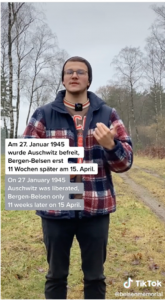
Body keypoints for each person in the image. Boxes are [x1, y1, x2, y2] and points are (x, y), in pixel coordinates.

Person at [23, 56, 133, 300]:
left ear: (89, 79)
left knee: (95, 277)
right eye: (69, 71)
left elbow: (125, 163)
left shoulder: (108, 114)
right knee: (55, 276)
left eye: (80, 72)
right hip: (55, 210)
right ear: (63, 79)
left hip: (95, 210)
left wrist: (110, 145)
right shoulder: (43, 114)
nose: (74, 75)